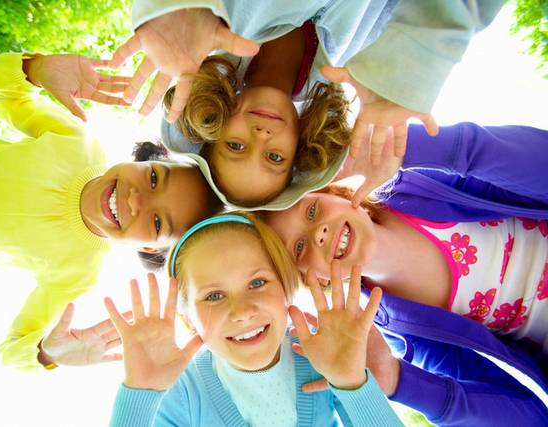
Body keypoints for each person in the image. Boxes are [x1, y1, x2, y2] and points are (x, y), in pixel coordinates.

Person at [0, 52, 222, 370]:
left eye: (156, 222)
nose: (135, 200)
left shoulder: (77, 271)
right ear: (147, 161)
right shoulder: (76, 141)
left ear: (149, 247)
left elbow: (13, 351)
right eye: (154, 177)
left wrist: (48, 354)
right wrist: (36, 69)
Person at [261, 121, 548, 425]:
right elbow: (532, 419)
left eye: (311, 211)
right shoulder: (409, 333)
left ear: (337, 194)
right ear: (315, 280)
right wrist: (397, 380)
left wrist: (405, 146)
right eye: (300, 248)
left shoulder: (424, 187)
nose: (318, 233)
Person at [102, 0, 503, 209]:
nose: (261, 136)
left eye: (236, 147)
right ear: (300, 148)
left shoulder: (216, 18)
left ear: (216, 123)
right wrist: (413, 63)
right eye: (274, 157)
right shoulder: (364, 56)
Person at [105, 213, 404, 426]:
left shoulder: (321, 353)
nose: (243, 311)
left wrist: (352, 383)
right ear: (188, 320)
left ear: (286, 287)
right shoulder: (182, 391)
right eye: (213, 296)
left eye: (258, 283)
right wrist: (140, 394)